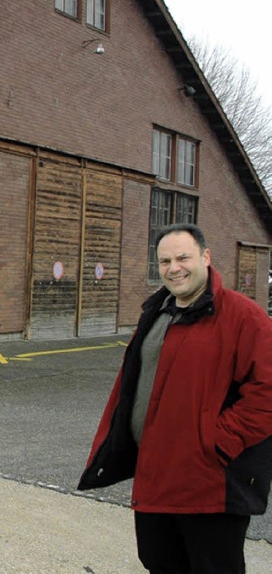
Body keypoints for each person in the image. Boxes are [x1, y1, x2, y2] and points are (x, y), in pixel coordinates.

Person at [78, 223, 272, 573]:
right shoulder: (157, 313)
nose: (174, 267)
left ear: (206, 257)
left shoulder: (244, 317)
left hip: (210, 482)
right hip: (155, 474)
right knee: (158, 560)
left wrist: (216, 442)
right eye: (165, 261)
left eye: (183, 257)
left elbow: (266, 395)